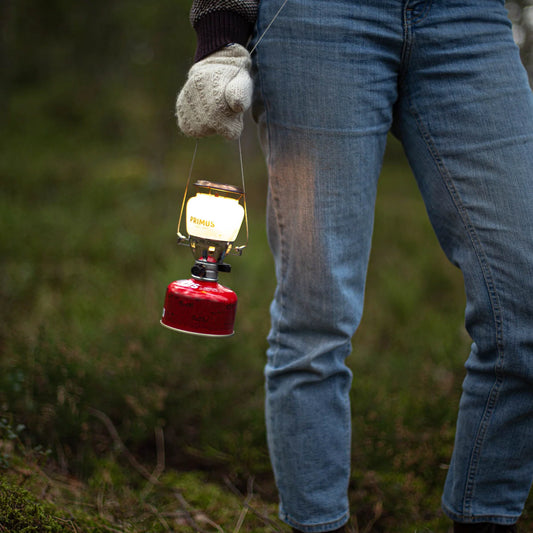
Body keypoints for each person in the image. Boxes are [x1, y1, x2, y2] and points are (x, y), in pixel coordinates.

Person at [176, 1, 533, 532]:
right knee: (314, 321)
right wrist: (220, 30)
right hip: (317, 18)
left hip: (469, 18)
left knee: (523, 316)